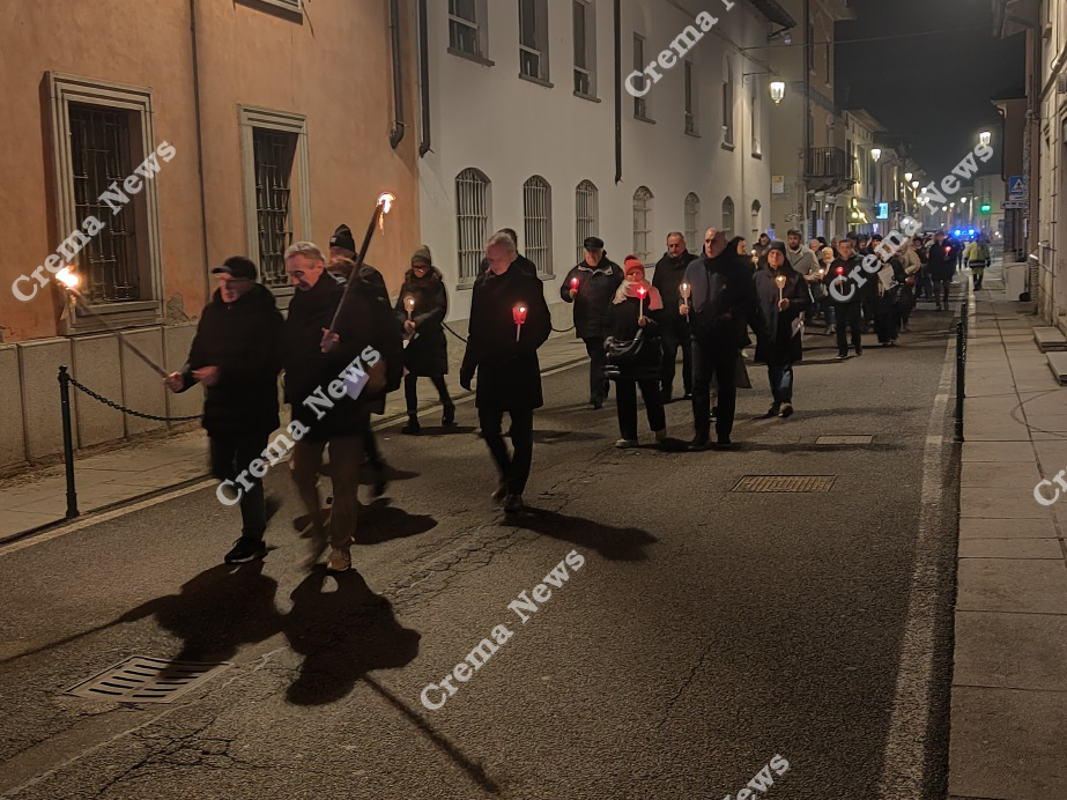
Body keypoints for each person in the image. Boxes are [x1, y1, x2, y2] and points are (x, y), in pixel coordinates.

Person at [282, 242, 395, 573]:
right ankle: (318, 534)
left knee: (344, 480)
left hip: (344, 401)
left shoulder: (350, 300)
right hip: (308, 403)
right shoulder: (298, 303)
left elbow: (369, 349)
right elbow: (291, 346)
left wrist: (340, 347)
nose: (294, 280)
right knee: (300, 471)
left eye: (299, 273)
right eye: (290, 274)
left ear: (319, 267)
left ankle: (340, 546)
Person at [165, 256, 283, 564]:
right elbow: (199, 352)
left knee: (246, 471)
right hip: (220, 409)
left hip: (253, 409)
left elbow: (268, 362)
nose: (226, 287)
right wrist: (185, 377)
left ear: (248, 283)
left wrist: (223, 373)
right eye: (222, 281)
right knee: (220, 468)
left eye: (232, 282)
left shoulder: (266, 315)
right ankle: (256, 507)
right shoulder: (212, 311)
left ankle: (252, 538)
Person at [461, 232, 551, 514]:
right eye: (488, 258)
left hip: (519, 365)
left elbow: (543, 324)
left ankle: (516, 490)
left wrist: (522, 345)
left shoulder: (527, 283)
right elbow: (475, 328)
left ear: (512, 256)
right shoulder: (482, 284)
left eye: (496, 258)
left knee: (522, 433)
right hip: (491, 366)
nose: (490, 263)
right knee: (488, 427)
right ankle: (507, 471)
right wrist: (468, 365)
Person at [329, 224, 390, 495]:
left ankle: (364, 469)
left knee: (353, 417)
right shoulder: (330, 278)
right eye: (332, 251)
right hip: (335, 361)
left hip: (361, 361)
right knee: (343, 418)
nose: (335, 256)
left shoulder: (368, 276)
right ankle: (361, 469)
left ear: (352, 253)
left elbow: (380, 316)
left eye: (341, 251)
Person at [681, 228, 755, 450]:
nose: (709, 245)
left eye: (714, 241)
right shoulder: (694, 267)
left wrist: (732, 315)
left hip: (726, 334)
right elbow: (684, 293)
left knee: (725, 384)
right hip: (700, 334)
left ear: (723, 243)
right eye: (706, 241)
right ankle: (701, 434)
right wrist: (683, 306)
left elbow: (750, 300)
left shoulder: (738, 268)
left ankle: (724, 432)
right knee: (699, 384)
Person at [607, 256, 667, 447]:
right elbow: (609, 321)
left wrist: (647, 323)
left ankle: (659, 429)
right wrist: (608, 339)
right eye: (631, 273)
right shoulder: (618, 295)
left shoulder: (652, 293)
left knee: (650, 392)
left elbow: (662, 323)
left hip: (645, 352)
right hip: (624, 352)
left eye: (637, 272)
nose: (634, 276)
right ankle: (629, 435)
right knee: (624, 394)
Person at [395, 246, 455, 434]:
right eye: (416, 267)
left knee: (435, 375)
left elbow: (440, 309)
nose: (418, 271)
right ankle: (412, 418)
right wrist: (404, 321)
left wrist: (419, 321)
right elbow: (398, 308)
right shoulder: (408, 284)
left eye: (422, 267)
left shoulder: (436, 284)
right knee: (409, 377)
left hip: (430, 338)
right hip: (411, 341)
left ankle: (447, 404)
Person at [560, 236, 624, 409]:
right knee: (597, 356)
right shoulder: (577, 271)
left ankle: (596, 396)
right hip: (586, 322)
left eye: (595, 252)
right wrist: (569, 294)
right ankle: (602, 386)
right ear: (584, 251)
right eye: (589, 252)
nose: (592, 255)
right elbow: (564, 290)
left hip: (607, 322)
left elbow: (623, 290)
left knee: (598, 357)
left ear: (601, 251)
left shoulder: (613, 271)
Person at [753, 242, 809, 418]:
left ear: (784, 256)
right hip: (766, 329)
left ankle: (785, 399)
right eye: (771, 254)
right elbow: (752, 302)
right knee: (772, 366)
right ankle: (777, 400)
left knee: (784, 365)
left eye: (778, 254)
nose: (775, 257)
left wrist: (790, 304)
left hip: (786, 328)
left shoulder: (795, 277)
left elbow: (806, 300)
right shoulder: (759, 277)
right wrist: (755, 325)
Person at [651, 232, 694, 403]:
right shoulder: (662, 265)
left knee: (690, 357)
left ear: (684, 244)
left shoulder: (693, 263)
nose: (674, 249)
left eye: (677, 245)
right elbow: (656, 289)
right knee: (667, 357)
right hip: (667, 320)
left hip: (688, 320)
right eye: (671, 246)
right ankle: (666, 389)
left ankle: (690, 389)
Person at [825, 237, 864, 359]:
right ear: (838, 249)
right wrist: (834, 282)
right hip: (839, 298)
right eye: (842, 248)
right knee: (840, 324)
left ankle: (857, 344)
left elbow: (864, 278)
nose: (845, 250)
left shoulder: (858, 261)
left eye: (847, 247)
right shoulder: (835, 263)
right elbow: (827, 279)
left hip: (854, 297)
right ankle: (842, 349)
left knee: (855, 323)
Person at [927, 231, 956, 311]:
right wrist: (930, 270)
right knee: (936, 287)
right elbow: (931, 259)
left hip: (946, 269)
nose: (940, 238)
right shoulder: (934, 247)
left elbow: (953, 256)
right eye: (938, 236)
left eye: (941, 236)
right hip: (936, 269)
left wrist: (949, 258)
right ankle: (938, 304)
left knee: (946, 286)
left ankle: (945, 299)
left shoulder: (948, 245)